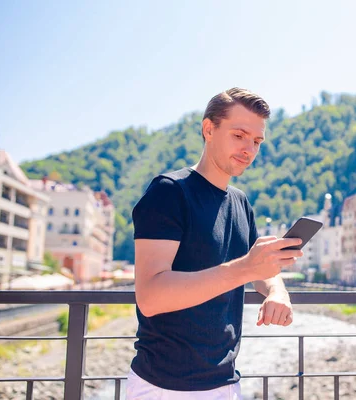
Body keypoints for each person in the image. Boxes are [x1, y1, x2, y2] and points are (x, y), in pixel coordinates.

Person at [126, 87, 304, 399]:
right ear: (209, 129)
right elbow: (150, 297)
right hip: (164, 387)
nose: (249, 148)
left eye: (257, 141)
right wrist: (245, 269)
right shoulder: (169, 192)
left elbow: (262, 270)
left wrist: (277, 291)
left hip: (226, 382)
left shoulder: (240, 202)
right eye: (239, 135)